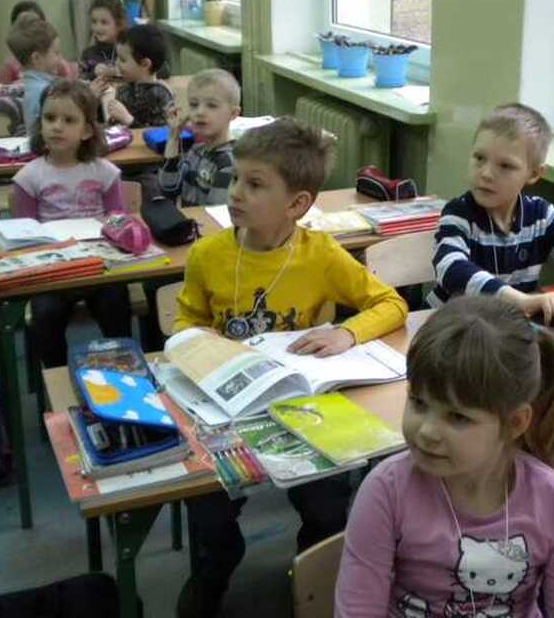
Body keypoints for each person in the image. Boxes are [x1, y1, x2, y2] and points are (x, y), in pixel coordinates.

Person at [173, 117, 408, 618]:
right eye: (236, 178)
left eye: (255, 184)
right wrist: (199, 343)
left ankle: (311, 579)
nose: (235, 193)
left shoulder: (319, 255)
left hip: (302, 405)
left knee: (328, 509)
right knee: (208, 512)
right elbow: (186, 322)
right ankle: (216, 566)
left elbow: (390, 304)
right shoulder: (208, 254)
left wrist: (346, 332)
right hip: (229, 408)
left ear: (297, 204)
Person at [336, 295, 554, 617]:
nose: (427, 431)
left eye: (458, 417)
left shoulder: (553, 500)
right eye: (418, 402)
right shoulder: (387, 490)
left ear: (515, 423)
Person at [429, 103, 554, 328]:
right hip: (448, 330)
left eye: (505, 166)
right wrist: (522, 301)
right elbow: (451, 268)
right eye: (479, 158)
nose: (486, 173)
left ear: (534, 174)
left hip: (502, 330)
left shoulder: (541, 217)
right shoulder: (458, 214)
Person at [11, 80, 131, 368]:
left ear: (87, 130)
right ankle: (57, 376)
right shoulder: (29, 177)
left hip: (99, 267)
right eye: (50, 118)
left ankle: (126, 369)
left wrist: (115, 232)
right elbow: (24, 233)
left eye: (69, 120)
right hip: (55, 271)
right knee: (45, 312)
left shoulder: (105, 172)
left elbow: (118, 219)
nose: (57, 127)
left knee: (116, 302)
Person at [157, 68, 241, 206]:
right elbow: (168, 189)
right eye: (194, 105)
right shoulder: (196, 151)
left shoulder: (228, 162)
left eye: (212, 105)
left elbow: (215, 213)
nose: (200, 112)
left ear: (233, 114)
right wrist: (173, 136)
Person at [98, 23, 174, 128]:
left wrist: (128, 120)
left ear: (145, 64)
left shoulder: (160, 95)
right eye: (117, 58)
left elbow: (159, 133)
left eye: (123, 60)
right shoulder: (125, 89)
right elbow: (115, 125)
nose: (116, 63)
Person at [5, 14, 64, 136]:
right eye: (56, 53)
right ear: (36, 58)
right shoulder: (44, 91)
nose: (61, 58)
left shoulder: (34, 85)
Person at [0, 0, 77, 85]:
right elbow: (1, 89)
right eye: (22, 25)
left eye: (34, 24)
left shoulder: (59, 65)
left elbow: (71, 85)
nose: (29, 29)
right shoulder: (9, 67)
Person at [78, 0, 126, 81]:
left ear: (119, 24)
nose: (97, 28)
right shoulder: (88, 54)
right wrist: (94, 73)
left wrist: (116, 72)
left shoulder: (128, 53)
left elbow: (138, 76)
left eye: (104, 22)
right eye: (94, 22)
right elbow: (81, 80)